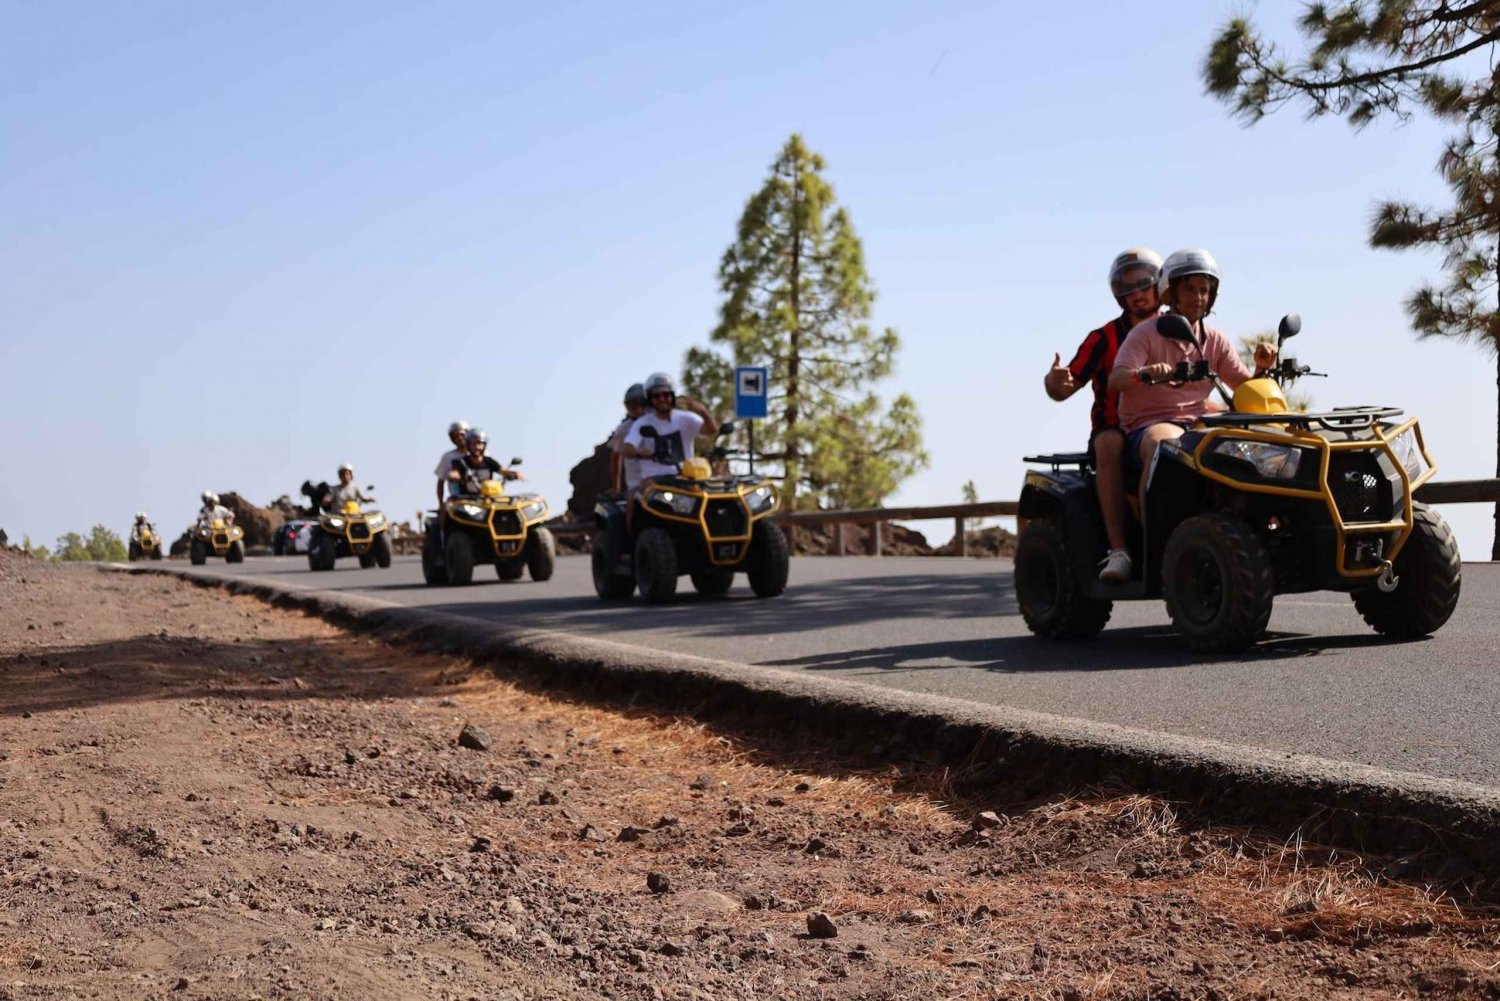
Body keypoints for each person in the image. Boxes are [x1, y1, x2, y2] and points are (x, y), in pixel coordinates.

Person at [1108, 248, 1277, 512]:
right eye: (1189, 289)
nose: (1198, 297)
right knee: (1165, 446)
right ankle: (1153, 542)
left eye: (1204, 290)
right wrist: (1143, 373)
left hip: (1199, 426)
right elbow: (1116, 379)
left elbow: (1244, 390)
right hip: (1149, 426)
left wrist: (1262, 368)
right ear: (1171, 293)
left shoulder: (1215, 340)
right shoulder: (1145, 334)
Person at [1045, 247, 1163, 582]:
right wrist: (1055, 382)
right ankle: (1120, 551)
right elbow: (1065, 386)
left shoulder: (1179, 328)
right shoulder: (1103, 337)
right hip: (1117, 429)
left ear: (1159, 284)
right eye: (1127, 288)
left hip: (1169, 424)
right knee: (1108, 443)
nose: (1137, 293)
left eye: (1143, 283)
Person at [621, 372, 718, 477]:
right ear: (650, 399)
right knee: (639, 491)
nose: (662, 399)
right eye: (656, 396)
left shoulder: (686, 418)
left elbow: (711, 430)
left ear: (672, 397)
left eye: (666, 395)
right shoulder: (642, 423)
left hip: (685, 477)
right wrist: (640, 454)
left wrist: (703, 412)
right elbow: (627, 448)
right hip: (655, 480)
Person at [447, 428, 524, 494]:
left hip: (488, 499)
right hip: (467, 500)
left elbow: (503, 471)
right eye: (474, 444)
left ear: (484, 445)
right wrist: (456, 476)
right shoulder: (461, 462)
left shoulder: (489, 461)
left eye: (480, 444)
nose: (477, 447)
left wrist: (515, 474)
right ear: (468, 445)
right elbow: (453, 473)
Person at [607, 383, 649, 493]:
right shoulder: (624, 429)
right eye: (634, 406)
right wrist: (616, 487)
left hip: (662, 480)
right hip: (636, 483)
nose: (639, 409)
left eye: (642, 404)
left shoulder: (660, 422)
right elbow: (616, 456)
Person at [434, 420, 470, 508]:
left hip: (482, 499)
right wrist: (441, 504)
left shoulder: (481, 455)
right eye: (456, 436)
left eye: (462, 435)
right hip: (458, 500)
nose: (459, 438)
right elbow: (441, 482)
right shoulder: (449, 457)